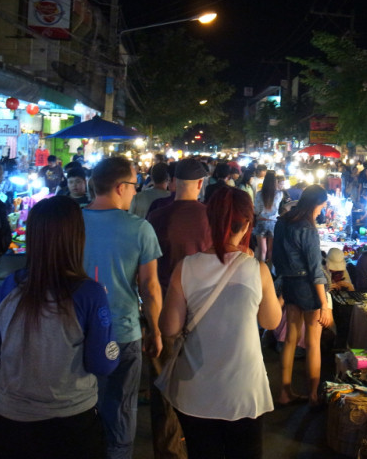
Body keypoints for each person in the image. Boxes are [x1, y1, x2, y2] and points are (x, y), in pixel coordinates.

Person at [0, 196, 119, 459]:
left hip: (9, 421)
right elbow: (102, 364)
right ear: (76, 237)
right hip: (70, 423)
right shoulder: (89, 293)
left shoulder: (10, 286)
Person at [158, 187, 280, 459]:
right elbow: (271, 321)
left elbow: (169, 327)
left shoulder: (185, 268)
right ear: (247, 223)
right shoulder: (256, 269)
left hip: (195, 390)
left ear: (210, 219)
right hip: (243, 389)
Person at [83, 157, 163, 459]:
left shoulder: (71, 222)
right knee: (120, 406)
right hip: (122, 331)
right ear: (119, 187)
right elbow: (150, 288)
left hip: (76, 330)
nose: (135, 191)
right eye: (133, 185)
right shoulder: (140, 229)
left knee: (80, 403)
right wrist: (154, 330)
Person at [146, 157, 211, 458]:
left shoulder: (157, 216)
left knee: (164, 392)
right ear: (200, 184)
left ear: (173, 182)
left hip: (162, 312)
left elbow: (145, 273)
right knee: (200, 387)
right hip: (204, 314)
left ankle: (170, 452)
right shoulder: (211, 217)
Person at [272, 184, 332, 406]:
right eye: (321, 207)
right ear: (316, 204)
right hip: (307, 286)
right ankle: (313, 396)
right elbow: (316, 271)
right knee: (313, 342)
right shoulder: (307, 228)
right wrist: (324, 304)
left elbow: (275, 258)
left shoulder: (282, 223)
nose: (321, 211)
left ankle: (284, 392)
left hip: (289, 282)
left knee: (291, 338)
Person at [254, 171, 283, 266]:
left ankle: (261, 273)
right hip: (273, 224)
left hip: (261, 222)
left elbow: (256, 210)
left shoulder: (259, 194)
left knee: (262, 251)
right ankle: (269, 272)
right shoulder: (279, 194)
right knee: (271, 251)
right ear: (275, 182)